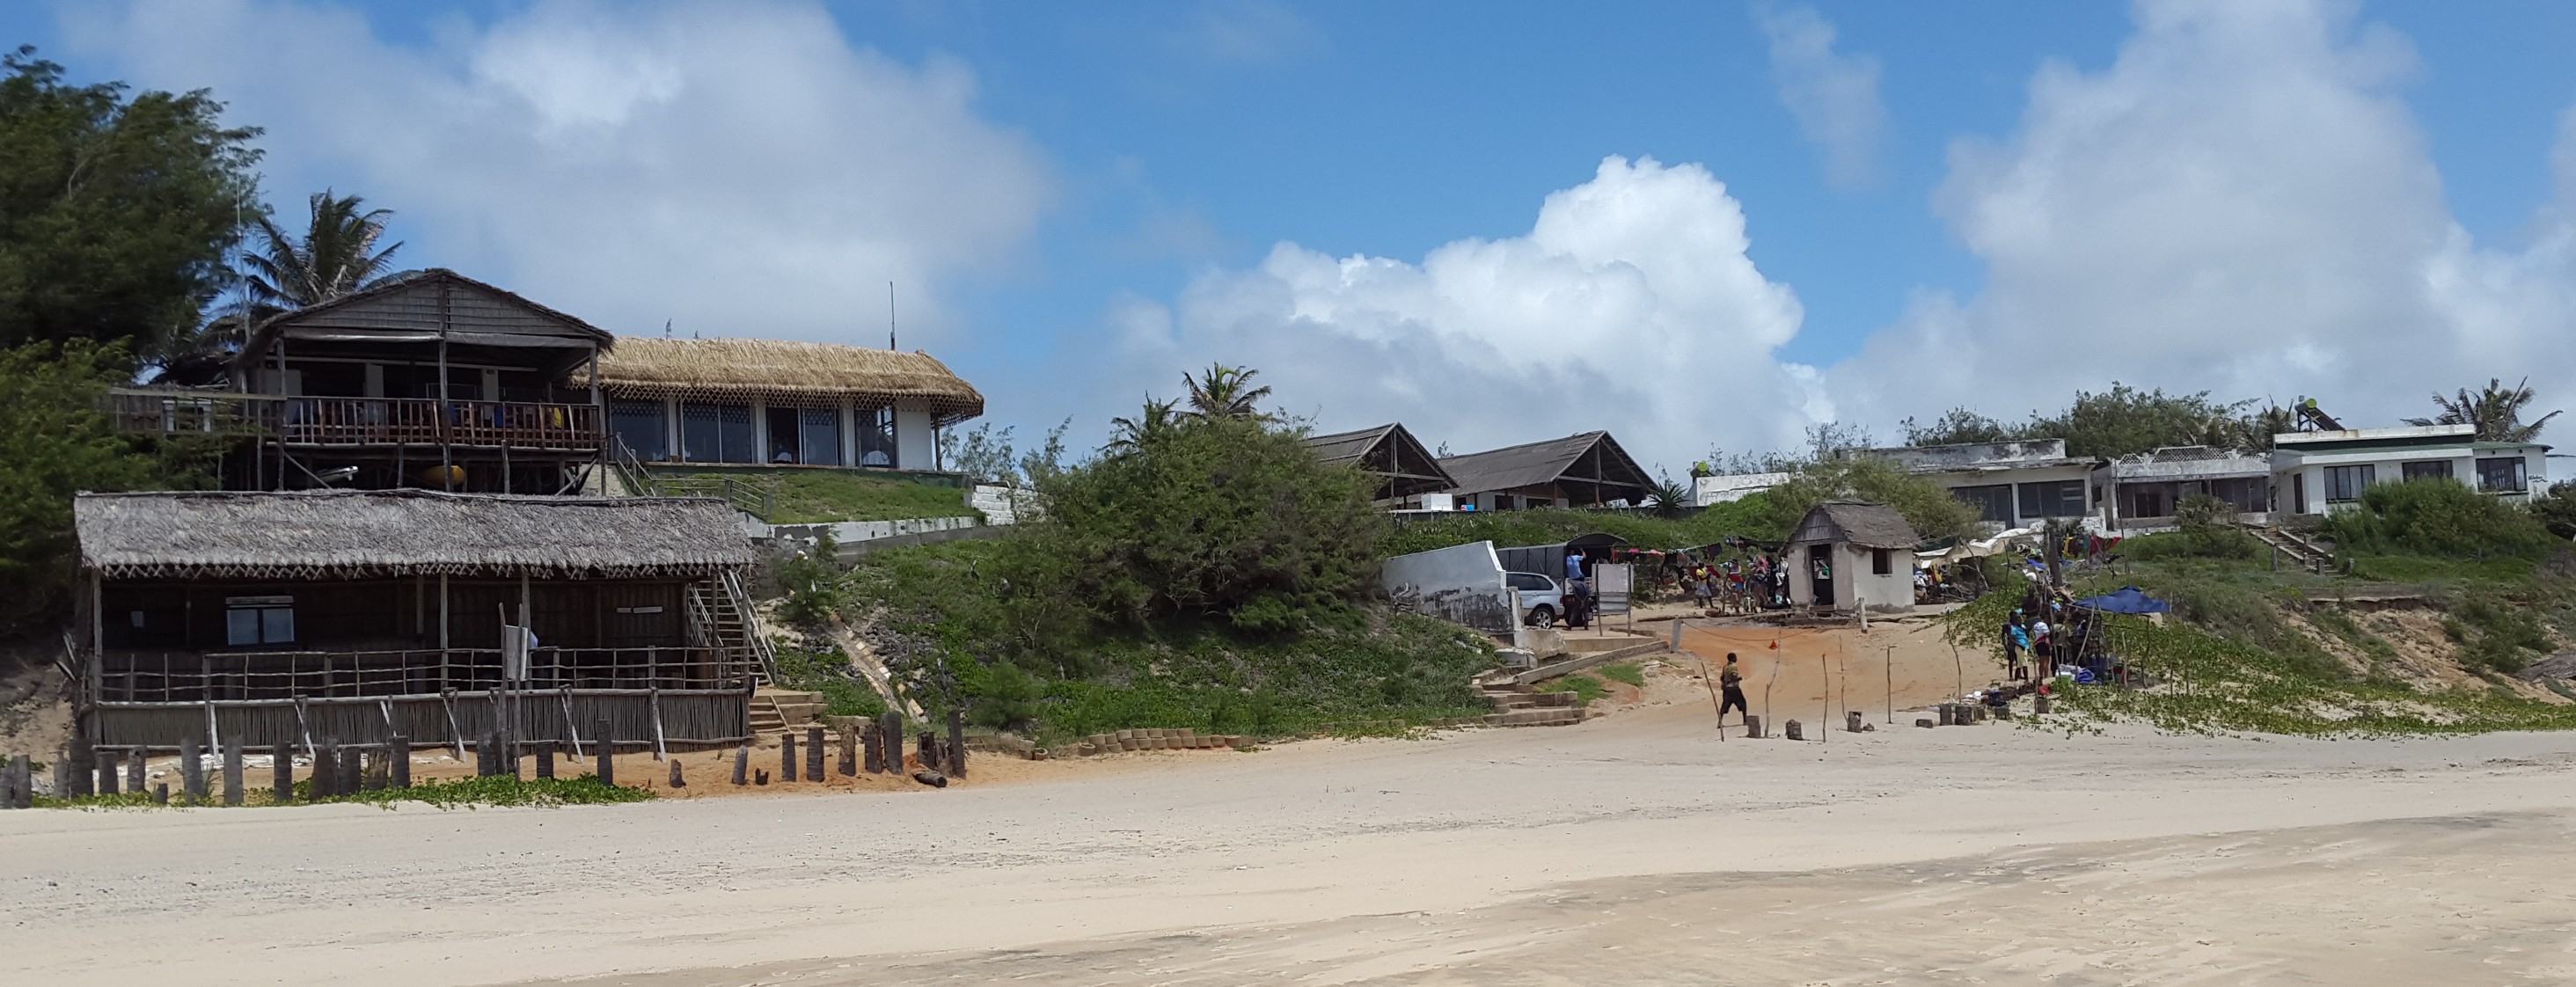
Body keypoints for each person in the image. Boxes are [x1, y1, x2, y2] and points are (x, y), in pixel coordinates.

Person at [1717, 653, 1749, 726]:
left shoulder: (1725, 667)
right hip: (1734, 688)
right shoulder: (1733, 666)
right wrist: (1739, 678)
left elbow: (1722, 678)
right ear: (1733, 658)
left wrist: (1723, 685)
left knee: (1725, 705)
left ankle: (1720, 722)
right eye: (1735, 657)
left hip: (1727, 689)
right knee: (1743, 703)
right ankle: (1745, 721)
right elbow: (1733, 677)